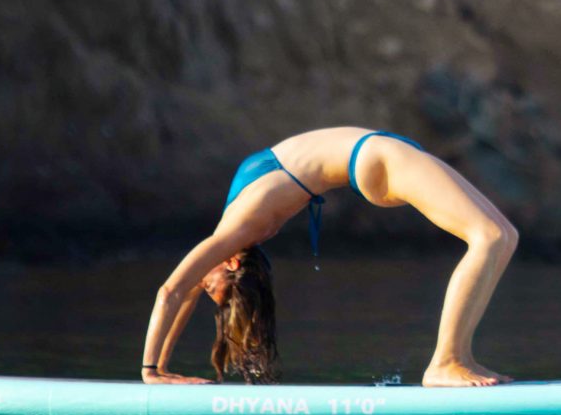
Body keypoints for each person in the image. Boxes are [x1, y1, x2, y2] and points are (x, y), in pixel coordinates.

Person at [140, 127, 517, 388]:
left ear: (231, 263)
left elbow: (175, 290)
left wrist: (154, 369)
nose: (201, 284)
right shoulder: (240, 230)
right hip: (378, 157)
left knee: (504, 236)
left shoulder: (235, 229)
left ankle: (457, 357)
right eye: (211, 289)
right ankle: (447, 361)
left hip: (381, 152)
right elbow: (178, 290)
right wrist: (157, 370)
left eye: (208, 288)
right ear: (234, 264)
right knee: (489, 236)